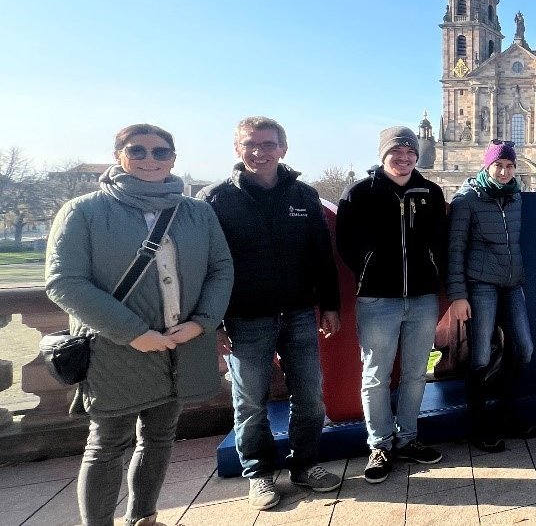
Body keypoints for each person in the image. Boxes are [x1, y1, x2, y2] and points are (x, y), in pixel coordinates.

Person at [46, 124, 233, 526]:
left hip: (180, 346)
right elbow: (64, 282)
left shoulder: (197, 211)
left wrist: (202, 323)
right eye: (138, 150)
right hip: (114, 349)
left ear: (173, 158)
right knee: (108, 445)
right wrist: (133, 332)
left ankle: (143, 517)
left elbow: (221, 269)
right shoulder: (83, 210)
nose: (150, 159)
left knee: (161, 436)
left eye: (161, 152)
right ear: (119, 155)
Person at [200, 117, 342, 509]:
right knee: (250, 403)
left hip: (298, 312)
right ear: (237, 149)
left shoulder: (303, 194)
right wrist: (210, 323)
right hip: (244, 319)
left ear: (283, 148)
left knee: (311, 397)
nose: (259, 151)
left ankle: (305, 464)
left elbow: (321, 257)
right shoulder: (214, 198)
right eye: (251, 144)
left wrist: (330, 305)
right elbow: (201, 266)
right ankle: (259, 473)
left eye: (268, 144)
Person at [336, 126, 448, 483]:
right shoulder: (359, 193)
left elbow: (441, 244)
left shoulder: (430, 192)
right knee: (376, 375)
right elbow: (346, 246)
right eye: (395, 154)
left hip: (422, 297)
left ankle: (408, 438)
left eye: (409, 153)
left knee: (416, 373)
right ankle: (380, 445)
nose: (403, 159)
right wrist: (370, 271)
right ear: (383, 155)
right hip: (377, 299)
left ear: (417, 156)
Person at [447, 140, 536, 453]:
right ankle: (478, 424)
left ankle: (505, 414)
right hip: (481, 284)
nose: (504, 171)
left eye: (510, 166)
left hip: (512, 283)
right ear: (488, 166)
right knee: (481, 356)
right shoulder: (467, 199)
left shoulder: (515, 195)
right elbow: (455, 249)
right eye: (498, 165)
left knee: (524, 348)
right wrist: (458, 294)